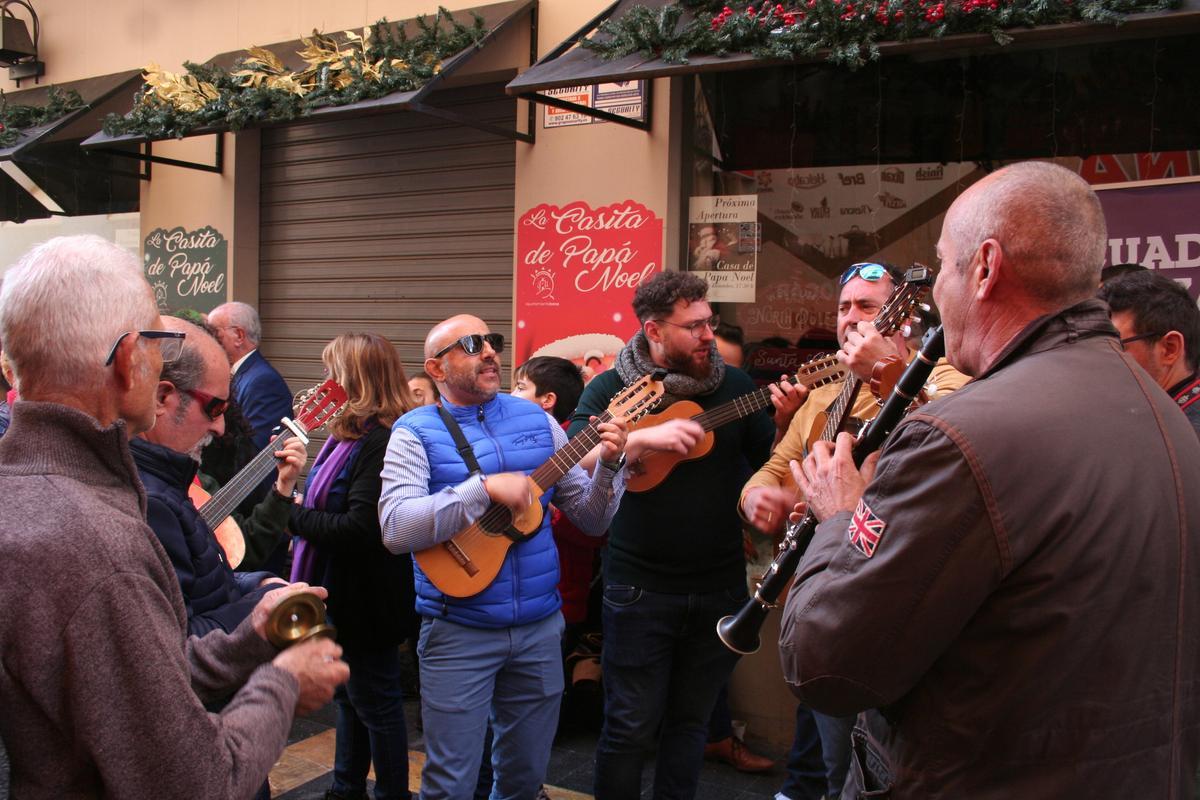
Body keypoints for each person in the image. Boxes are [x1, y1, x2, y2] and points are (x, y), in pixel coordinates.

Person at [780, 161, 1200, 797]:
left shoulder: (961, 435)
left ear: (985, 267)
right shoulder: (1161, 409)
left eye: (944, 266)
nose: (938, 296)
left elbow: (824, 665)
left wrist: (840, 519)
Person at [0, 235, 348, 799]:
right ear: (129, 359)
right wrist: (283, 682)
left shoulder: (30, 492)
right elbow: (195, 781)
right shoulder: (94, 541)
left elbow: (128, 679)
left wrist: (249, 640)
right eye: (159, 342)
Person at [740, 261, 969, 799]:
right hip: (827, 592)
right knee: (834, 748)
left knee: (885, 761)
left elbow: (961, 437)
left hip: (902, 590)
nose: (851, 319)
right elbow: (776, 468)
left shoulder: (944, 375)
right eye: (844, 307)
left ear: (901, 316)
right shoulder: (823, 396)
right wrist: (757, 497)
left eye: (867, 307)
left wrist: (889, 372)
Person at [569, 271, 802, 799]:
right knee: (629, 728)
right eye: (693, 325)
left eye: (709, 322)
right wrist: (646, 437)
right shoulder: (611, 388)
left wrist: (786, 425)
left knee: (690, 728)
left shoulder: (737, 387)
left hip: (719, 583)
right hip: (638, 589)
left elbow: (771, 466)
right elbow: (574, 460)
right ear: (653, 330)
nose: (707, 335)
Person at [378, 315, 629, 800]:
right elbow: (395, 528)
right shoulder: (414, 432)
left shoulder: (537, 421)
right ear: (436, 367)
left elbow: (592, 518)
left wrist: (611, 467)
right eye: (472, 345)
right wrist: (481, 489)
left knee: (524, 779)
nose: (491, 351)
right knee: (450, 783)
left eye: (492, 341)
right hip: (457, 630)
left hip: (539, 628)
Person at [289, 333, 418, 800]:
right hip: (345, 594)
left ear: (356, 380)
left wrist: (291, 512)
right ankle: (345, 788)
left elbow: (360, 528)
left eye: (333, 374)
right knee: (351, 698)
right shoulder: (353, 435)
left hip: (368, 599)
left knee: (377, 705)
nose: (326, 384)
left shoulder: (381, 439)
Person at [130, 317, 308, 636]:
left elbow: (223, 561)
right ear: (161, 398)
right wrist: (261, 605)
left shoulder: (181, 479)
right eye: (215, 408)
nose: (222, 428)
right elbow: (178, 637)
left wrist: (255, 583)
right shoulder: (148, 501)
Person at [1098, 269, 1200, 438]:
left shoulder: (1185, 434)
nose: (1099, 363)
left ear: (1170, 348)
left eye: (1114, 346)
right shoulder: (1158, 415)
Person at [208, 301, 294, 451]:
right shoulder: (245, 374)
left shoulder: (263, 381)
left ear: (239, 336)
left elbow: (254, 452)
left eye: (214, 332)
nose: (209, 340)